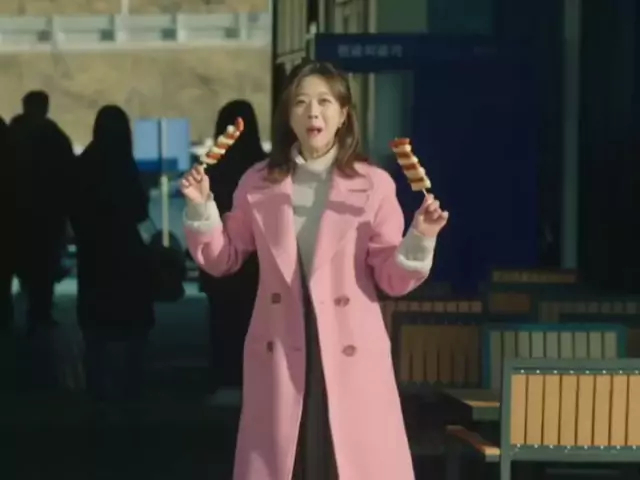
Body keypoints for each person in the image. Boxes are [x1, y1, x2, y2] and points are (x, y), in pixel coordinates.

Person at [181, 61, 449, 480]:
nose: (313, 113)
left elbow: (391, 278)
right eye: (301, 102)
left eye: (325, 102)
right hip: (281, 344)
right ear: (288, 115)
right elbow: (222, 257)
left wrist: (421, 236)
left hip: (348, 347)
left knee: (347, 463)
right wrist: (201, 207)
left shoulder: (374, 184)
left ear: (343, 114)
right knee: (289, 462)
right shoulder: (258, 182)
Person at [69, 105, 154, 408]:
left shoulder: (84, 163)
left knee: (96, 329)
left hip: (94, 255)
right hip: (126, 254)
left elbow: (73, 209)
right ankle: (132, 390)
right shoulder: (124, 165)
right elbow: (139, 211)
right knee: (133, 327)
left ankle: (97, 392)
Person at [201, 100, 263, 397]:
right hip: (258, 265)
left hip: (220, 261)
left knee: (223, 323)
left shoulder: (212, 170)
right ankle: (255, 383)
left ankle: (224, 380)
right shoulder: (265, 169)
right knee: (256, 324)